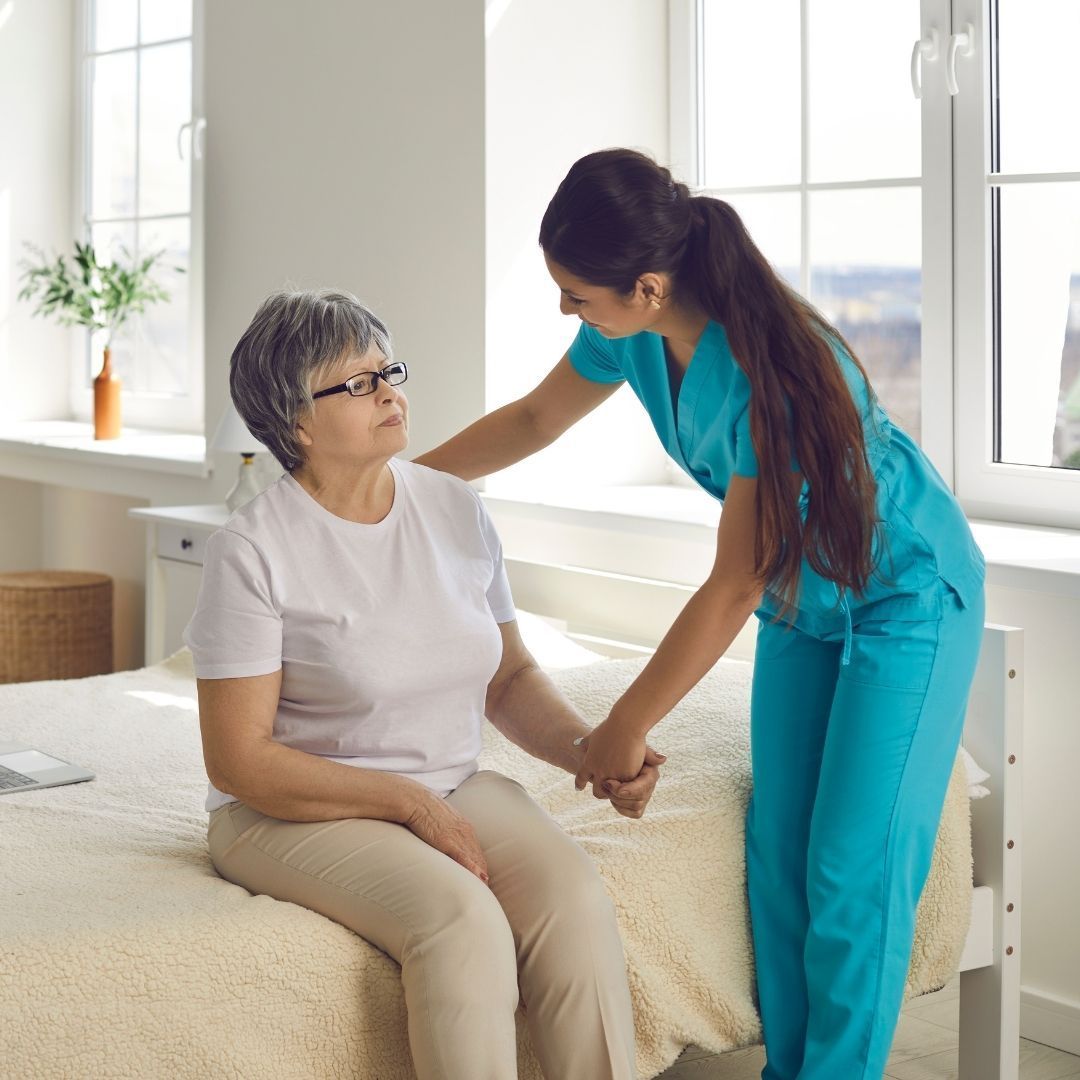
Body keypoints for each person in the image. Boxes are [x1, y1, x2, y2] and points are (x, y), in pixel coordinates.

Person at [414, 148, 987, 1080]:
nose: (568, 311)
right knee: (778, 858)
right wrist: (398, 488)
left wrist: (625, 725)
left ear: (646, 286)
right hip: (807, 606)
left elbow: (732, 582)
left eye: (577, 295)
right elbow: (531, 421)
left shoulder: (787, 370)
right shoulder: (632, 333)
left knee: (851, 870)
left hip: (904, 599)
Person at [185, 288, 662, 1080]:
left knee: (572, 896)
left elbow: (507, 679)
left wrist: (590, 749)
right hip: (287, 812)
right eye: (359, 383)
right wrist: (407, 804)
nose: (391, 394)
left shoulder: (454, 508)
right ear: (295, 422)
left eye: (389, 371)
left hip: (449, 783)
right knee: (461, 920)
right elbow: (238, 761)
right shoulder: (252, 551)